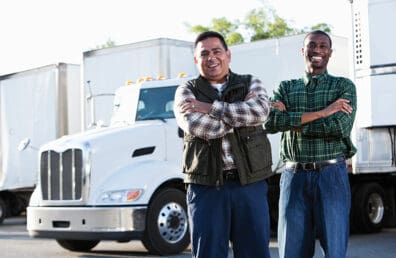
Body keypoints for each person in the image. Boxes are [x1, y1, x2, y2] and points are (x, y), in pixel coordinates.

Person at [174, 31, 273, 258]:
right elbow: (197, 126)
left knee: (255, 253)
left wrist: (210, 108)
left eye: (217, 51)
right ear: (196, 60)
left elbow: (260, 111)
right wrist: (240, 113)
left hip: (249, 185)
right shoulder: (186, 91)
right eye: (205, 53)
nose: (212, 58)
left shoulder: (251, 82)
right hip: (207, 188)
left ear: (227, 54)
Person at [265, 30, 357, 258]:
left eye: (323, 46)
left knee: (335, 252)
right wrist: (323, 113)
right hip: (293, 177)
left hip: (331, 175)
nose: (317, 50)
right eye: (312, 45)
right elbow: (271, 121)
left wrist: (294, 121)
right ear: (302, 50)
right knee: (291, 252)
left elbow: (340, 128)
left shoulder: (343, 87)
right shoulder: (286, 87)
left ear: (330, 52)